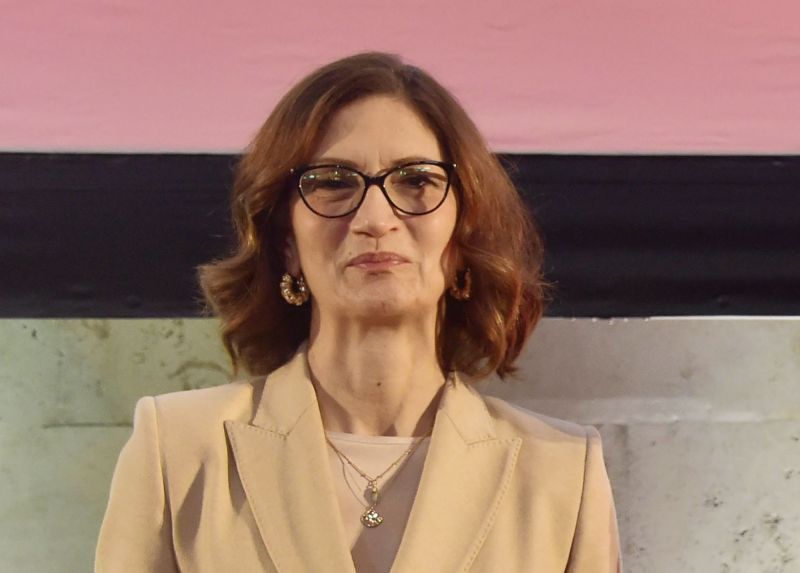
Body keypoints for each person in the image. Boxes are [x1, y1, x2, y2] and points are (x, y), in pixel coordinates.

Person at [95, 52, 621, 572]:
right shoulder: (179, 448)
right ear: (286, 244)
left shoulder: (560, 469)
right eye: (333, 182)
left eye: (416, 181)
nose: (375, 217)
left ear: (463, 237)